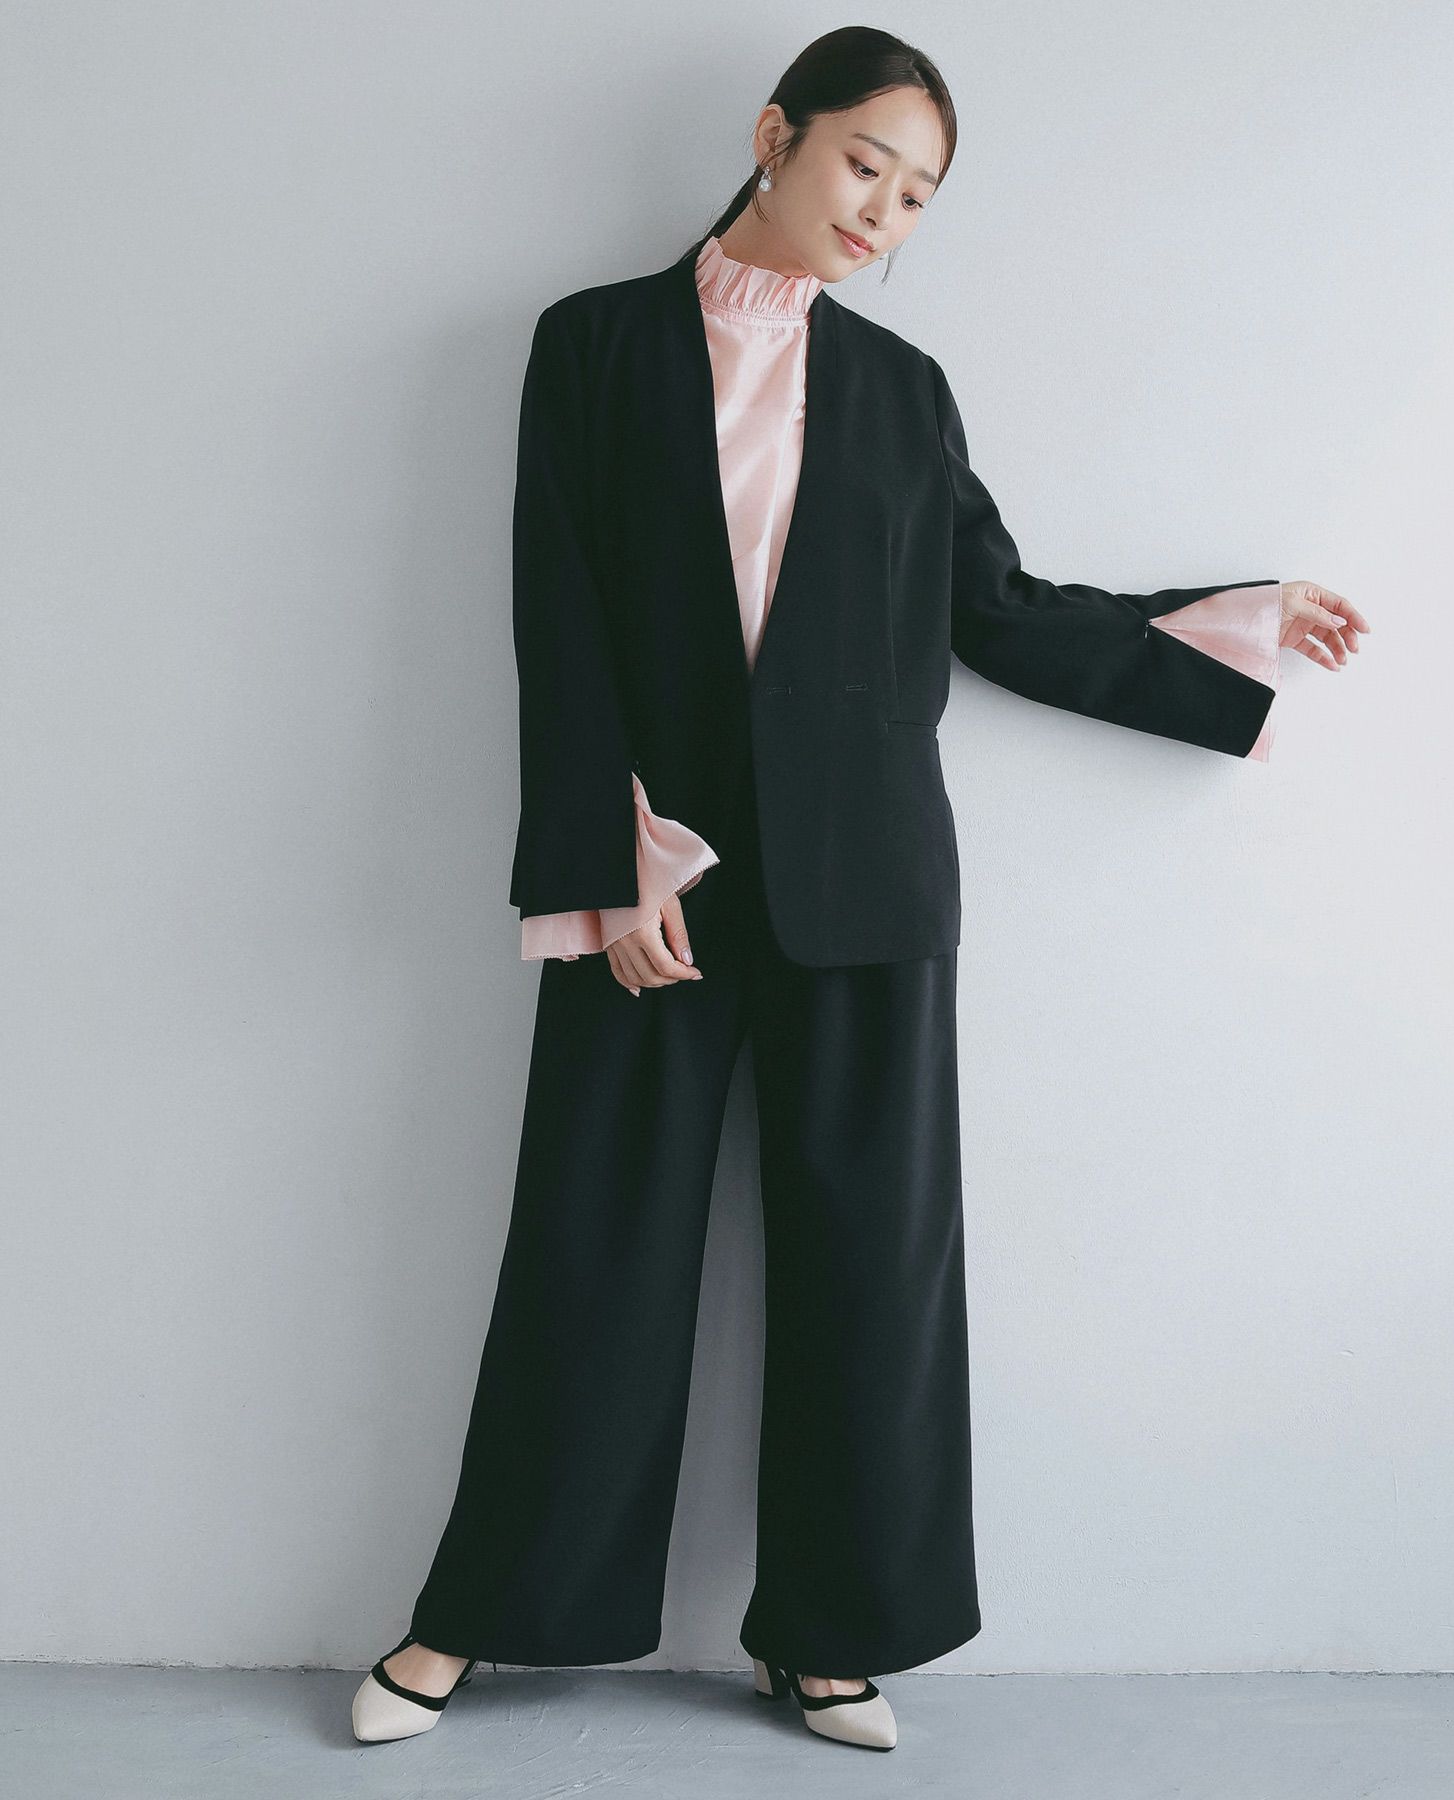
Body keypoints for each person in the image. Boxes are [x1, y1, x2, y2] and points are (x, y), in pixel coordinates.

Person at [352, 25, 1368, 1754]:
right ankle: (479, 1617)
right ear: (776, 136)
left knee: (870, 1267)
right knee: (594, 1247)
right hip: (659, 872)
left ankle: (829, 1633)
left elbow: (999, 608)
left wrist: (1231, 623)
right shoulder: (591, 344)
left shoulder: (903, 388)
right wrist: (603, 861)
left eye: (914, 199)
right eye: (862, 166)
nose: (880, 214)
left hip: (872, 879)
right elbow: (558, 614)